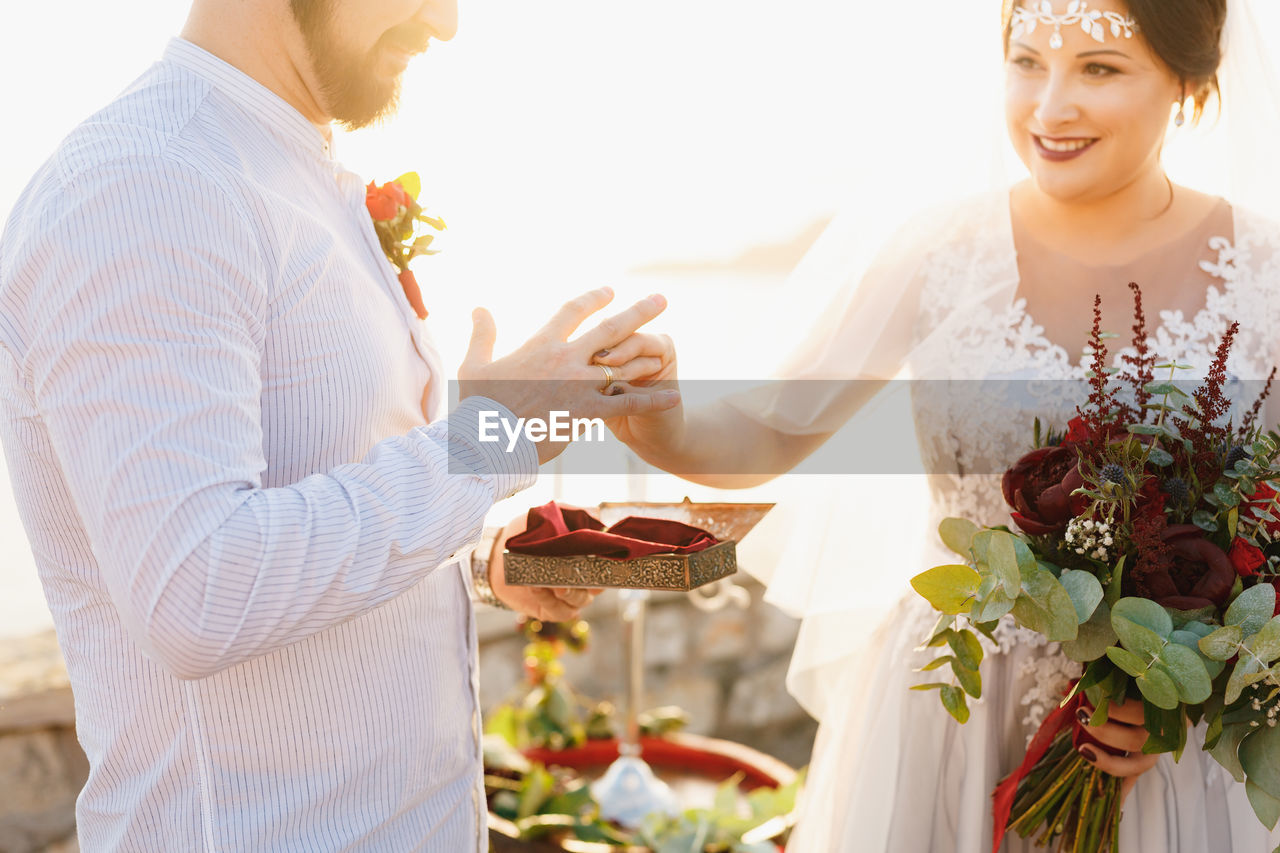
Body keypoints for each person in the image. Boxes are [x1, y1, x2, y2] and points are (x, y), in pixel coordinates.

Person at [0, 0, 679, 850]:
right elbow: (196, 589)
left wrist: (480, 561)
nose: (446, 24)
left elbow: (319, 491)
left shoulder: (288, 170)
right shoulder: (149, 184)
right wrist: (491, 436)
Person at [605, 0, 1280, 849]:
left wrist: (1192, 685)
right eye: (1027, 60)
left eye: (1099, 70)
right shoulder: (940, 252)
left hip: (1162, 753)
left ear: (1192, 79)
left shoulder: (1264, 275)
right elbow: (770, 428)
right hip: (946, 714)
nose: (1049, 107)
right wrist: (660, 423)